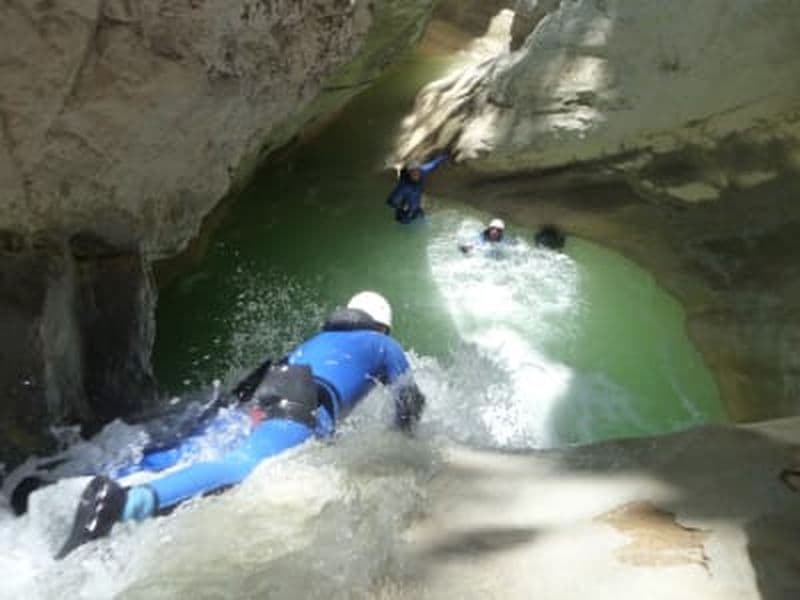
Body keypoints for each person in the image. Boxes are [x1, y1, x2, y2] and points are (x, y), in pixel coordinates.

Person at [56, 291, 426, 559]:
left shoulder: (322, 338)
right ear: (382, 325)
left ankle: (96, 479)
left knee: (197, 448)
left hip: (269, 388)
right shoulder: (381, 342)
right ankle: (124, 504)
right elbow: (410, 400)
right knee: (244, 464)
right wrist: (403, 442)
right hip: (303, 398)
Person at [386, 152, 449, 224]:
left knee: (422, 220)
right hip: (405, 214)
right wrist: (400, 207)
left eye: (417, 171)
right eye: (413, 172)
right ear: (409, 173)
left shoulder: (423, 172)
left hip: (416, 208)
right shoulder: (404, 186)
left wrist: (442, 158)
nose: (416, 174)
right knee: (407, 223)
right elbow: (390, 202)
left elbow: (433, 164)